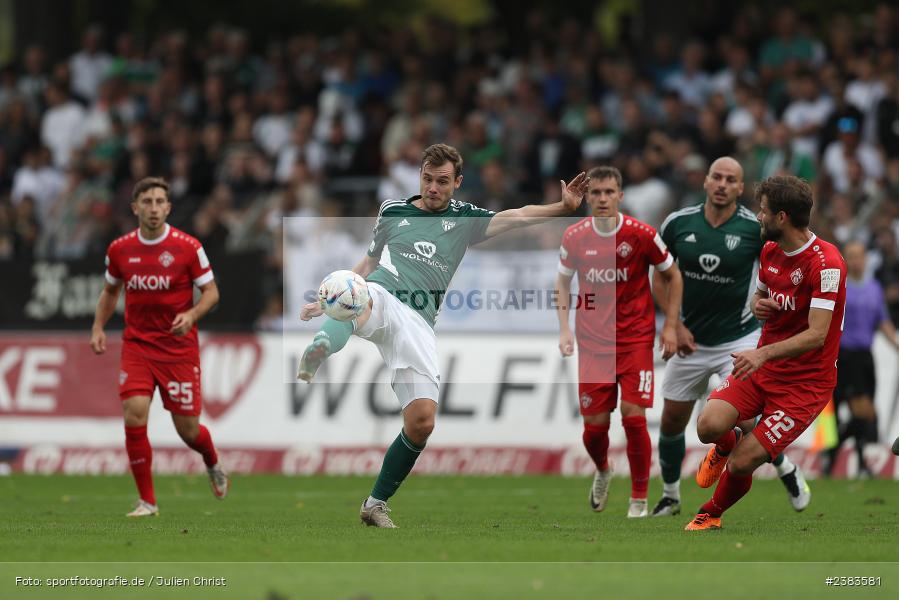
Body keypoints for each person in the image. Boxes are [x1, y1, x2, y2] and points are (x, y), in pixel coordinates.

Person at [297, 143, 588, 528]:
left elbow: (516, 216)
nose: (433, 188)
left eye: (442, 182)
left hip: (418, 321)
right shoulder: (392, 211)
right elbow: (368, 264)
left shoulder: (465, 219)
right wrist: (330, 301)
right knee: (361, 301)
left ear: (457, 183)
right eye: (428, 179)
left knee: (422, 422)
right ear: (420, 177)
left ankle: (374, 504)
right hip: (385, 291)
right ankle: (322, 346)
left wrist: (561, 208)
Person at [650, 157, 810, 517]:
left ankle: (785, 469)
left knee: (741, 417)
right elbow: (658, 275)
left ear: (741, 188)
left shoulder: (755, 229)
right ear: (705, 182)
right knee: (673, 419)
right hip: (690, 337)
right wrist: (673, 324)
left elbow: (784, 265)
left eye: (731, 180)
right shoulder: (678, 224)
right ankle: (671, 496)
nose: (722, 184)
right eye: (717, 177)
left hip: (739, 339)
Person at [685, 175, 846, 531]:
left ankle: (711, 513)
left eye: (763, 210)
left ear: (782, 217)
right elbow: (758, 297)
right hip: (765, 368)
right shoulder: (770, 249)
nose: (758, 216)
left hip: (804, 385)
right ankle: (724, 445)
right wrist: (760, 306)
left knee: (743, 464)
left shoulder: (826, 264)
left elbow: (817, 335)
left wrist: (761, 355)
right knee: (708, 426)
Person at [90, 177, 228, 517]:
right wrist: (97, 326)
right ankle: (147, 502)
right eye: (147, 202)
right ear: (135, 207)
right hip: (137, 345)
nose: (153, 208)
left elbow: (211, 293)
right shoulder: (119, 249)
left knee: (189, 430)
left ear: (168, 207)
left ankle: (211, 460)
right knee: (134, 413)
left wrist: (192, 314)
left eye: (159, 202)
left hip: (177, 350)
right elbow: (110, 292)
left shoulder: (187, 247)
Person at [556, 165, 683, 518]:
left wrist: (670, 326)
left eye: (609, 192)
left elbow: (672, 276)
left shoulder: (642, 234)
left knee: (633, 416)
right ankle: (603, 469)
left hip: (634, 341)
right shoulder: (575, 237)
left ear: (620, 196)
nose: (602, 199)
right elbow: (563, 283)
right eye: (595, 193)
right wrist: (564, 329)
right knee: (594, 430)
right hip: (593, 344)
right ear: (587, 197)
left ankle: (639, 500)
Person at [822, 240, 899, 478]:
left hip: (866, 356)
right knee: (858, 412)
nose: (856, 260)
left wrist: (896, 344)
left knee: (864, 413)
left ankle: (834, 454)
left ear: (865, 259)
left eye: (860, 256)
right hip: (843, 356)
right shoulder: (840, 286)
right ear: (845, 259)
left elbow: (882, 321)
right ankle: (857, 462)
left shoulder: (874, 288)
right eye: (852, 256)